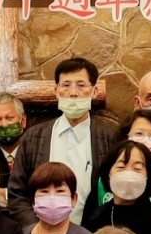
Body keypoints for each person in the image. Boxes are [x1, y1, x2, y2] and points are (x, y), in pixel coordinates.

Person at [7, 58, 121, 222]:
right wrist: (33, 227)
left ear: (94, 91)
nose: (73, 92)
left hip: (92, 232)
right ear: (56, 91)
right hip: (40, 230)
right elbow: (17, 191)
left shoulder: (109, 138)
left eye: (81, 85)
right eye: (66, 85)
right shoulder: (33, 137)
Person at [24, 161, 94, 234]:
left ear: (74, 199)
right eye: (44, 191)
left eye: (60, 191)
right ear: (33, 200)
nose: (52, 198)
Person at [0, 91, 28, 204]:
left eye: (10, 118)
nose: (4, 124)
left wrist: (5, 194)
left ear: (23, 121)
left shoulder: (37, 151)